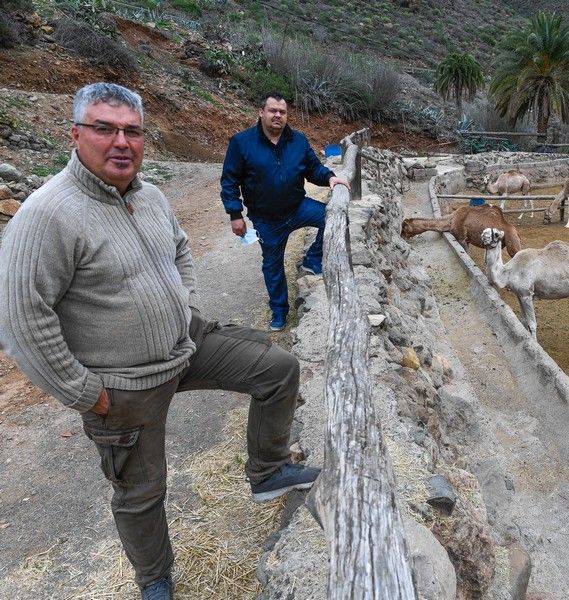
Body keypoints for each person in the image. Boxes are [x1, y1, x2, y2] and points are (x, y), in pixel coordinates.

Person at [0, 82, 320, 600]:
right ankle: (155, 579)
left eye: (132, 131)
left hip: (185, 345)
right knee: (141, 491)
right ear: (75, 135)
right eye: (104, 129)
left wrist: (187, 309)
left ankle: (268, 470)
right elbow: (20, 320)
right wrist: (86, 393)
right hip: (123, 383)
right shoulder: (47, 215)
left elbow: (180, 252)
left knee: (277, 368)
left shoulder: (148, 196)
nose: (120, 141)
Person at [220, 92, 349, 331]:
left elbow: (313, 169)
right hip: (266, 219)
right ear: (261, 112)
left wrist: (330, 178)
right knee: (272, 265)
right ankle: (280, 311)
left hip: (297, 207)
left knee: (332, 217)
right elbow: (229, 181)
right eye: (273, 111)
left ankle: (312, 259)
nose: (278, 115)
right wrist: (235, 215)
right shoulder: (241, 142)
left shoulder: (298, 140)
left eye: (282, 112)